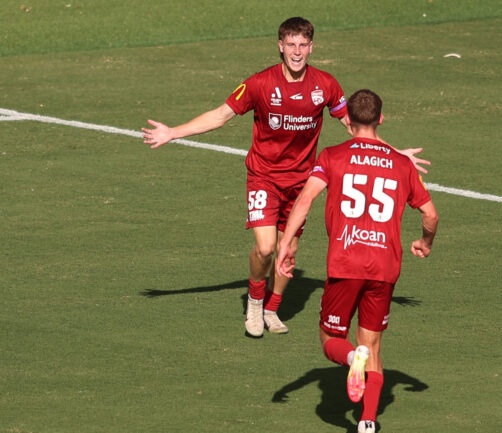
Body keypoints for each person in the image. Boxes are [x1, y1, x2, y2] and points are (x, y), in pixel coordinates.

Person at [142, 17, 429, 337]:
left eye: (303, 45)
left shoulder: (326, 85)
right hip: (263, 177)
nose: (297, 51)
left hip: (301, 181)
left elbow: (357, 127)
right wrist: (173, 132)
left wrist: (396, 155)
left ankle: (272, 308)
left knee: (287, 248)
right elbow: (221, 115)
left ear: (311, 47)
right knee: (266, 249)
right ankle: (254, 301)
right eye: (291, 44)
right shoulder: (259, 84)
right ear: (280, 47)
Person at [276, 89, 438, 433]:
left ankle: (351, 358)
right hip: (385, 268)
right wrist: (425, 242)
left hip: (345, 263)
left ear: (347, 120)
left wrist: (285, 245)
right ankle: (367, 422)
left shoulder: (332, 156)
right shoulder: (401, 163)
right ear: (381, 118)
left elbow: (304, 200)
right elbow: (430, 214)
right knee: (374, 345)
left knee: (329, 337)